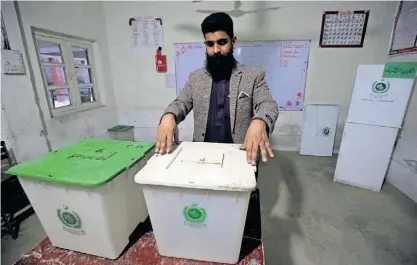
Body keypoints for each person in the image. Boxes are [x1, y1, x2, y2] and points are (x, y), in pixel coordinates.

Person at [155, 12, 278, 166]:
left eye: (222, 42)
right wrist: (169, 116)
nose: (216, 50)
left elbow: (268, 105)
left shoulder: (253, 76)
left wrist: (260, 121)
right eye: (210, 44)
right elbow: (180, 103)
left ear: (233, 42)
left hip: (240, 155)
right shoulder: (196, 78)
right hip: (202, 157)